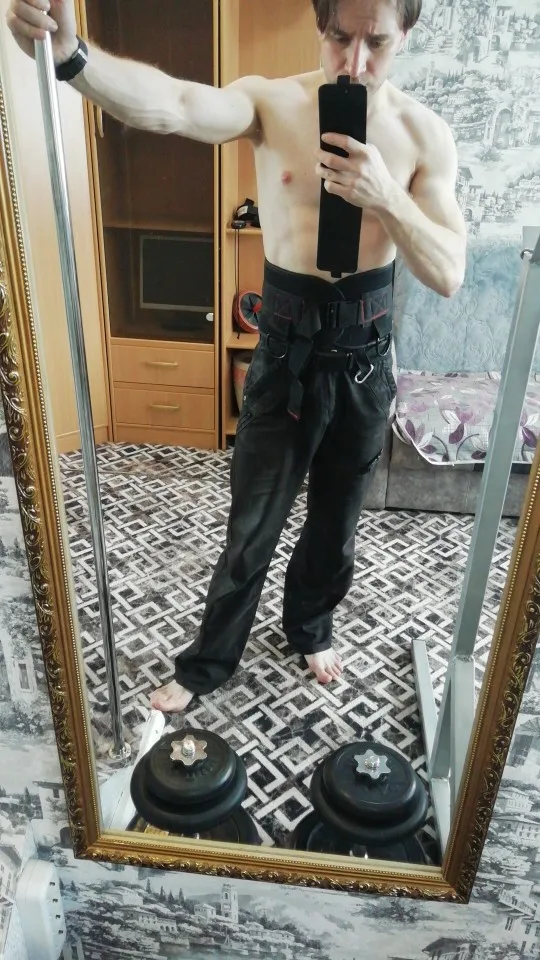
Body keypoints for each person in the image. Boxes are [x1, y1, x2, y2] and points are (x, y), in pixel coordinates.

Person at [7, 0, 467, 714]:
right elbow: (176, 106)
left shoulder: (424, 135)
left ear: (406, 33)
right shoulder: (271, 103)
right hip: (284, 351)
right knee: (252, 526)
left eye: (375, 42)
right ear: (319, 26)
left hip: (364, 360)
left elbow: (449, 273)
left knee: (336, 528)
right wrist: (74, 56)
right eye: (338, 38)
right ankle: (207, 664)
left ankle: (310, 627)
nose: (353, 62)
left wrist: (387, 199)